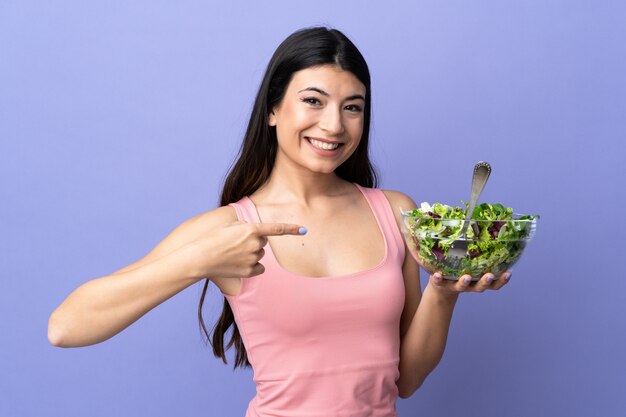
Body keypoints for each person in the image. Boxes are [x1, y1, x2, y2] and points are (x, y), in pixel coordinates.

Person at [48, 26, 512, 416]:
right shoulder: (229, 229)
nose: (333, 125)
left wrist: (443, 294)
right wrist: (198, 261)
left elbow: (405, 380)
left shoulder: (395, 212)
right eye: (314, 101)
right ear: (273, 110)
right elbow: (66, 327)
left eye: (352, 107)